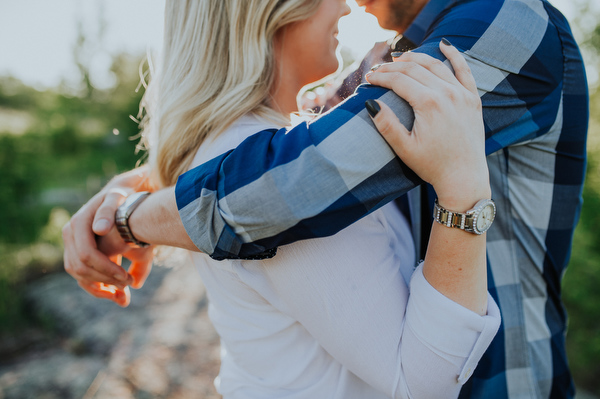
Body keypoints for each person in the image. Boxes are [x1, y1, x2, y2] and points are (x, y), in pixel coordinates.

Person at [63, 0, 589, 397]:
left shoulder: (506, 26)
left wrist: (132, 219)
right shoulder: (391, 60)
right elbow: (295, 144)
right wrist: (131, 190)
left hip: (505, 381)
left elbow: (299, 174)